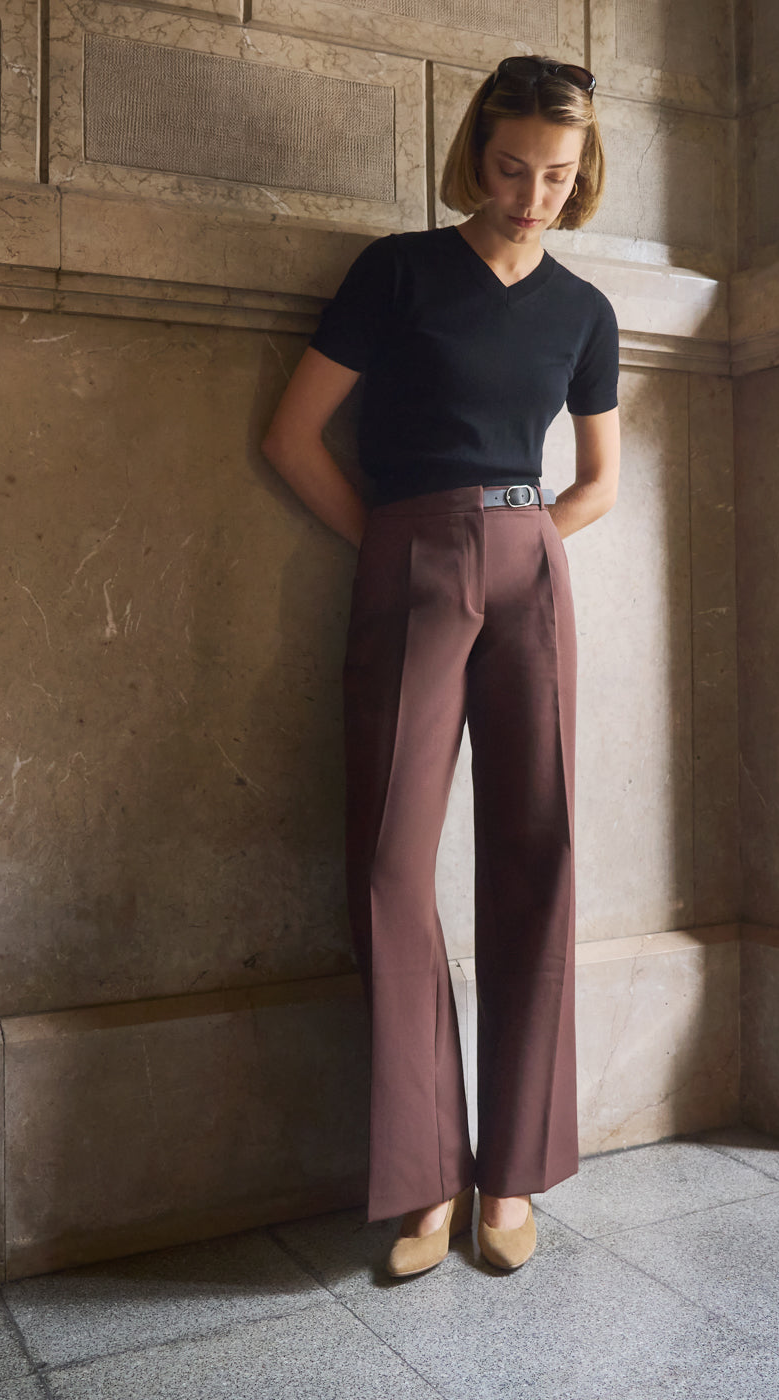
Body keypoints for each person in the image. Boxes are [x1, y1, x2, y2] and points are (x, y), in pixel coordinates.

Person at [261, 54, 621, 1276]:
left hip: (531, 564)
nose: (531, 195)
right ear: (478, 154)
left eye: (557, 175)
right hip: (411, 552)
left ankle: (509, 1171)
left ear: (582, 173)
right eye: (513, 168)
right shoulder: (398, 271)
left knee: (538, 848)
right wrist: (398, 545)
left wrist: (521, 543)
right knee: (386, 860)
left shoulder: (583, 310)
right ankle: (424, 1175)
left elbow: (599, 482)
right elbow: (291, 435)